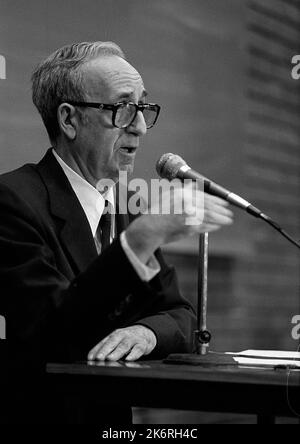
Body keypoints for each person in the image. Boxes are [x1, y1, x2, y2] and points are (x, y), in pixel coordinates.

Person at [0, 41, 233, 423]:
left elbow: (183, 318)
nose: (140, 127)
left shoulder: (119, 207)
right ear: (69, 120)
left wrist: (147, 333)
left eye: (143, 107)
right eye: (123, 108)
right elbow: (53, 331)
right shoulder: (12, 201)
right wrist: (144, 236)